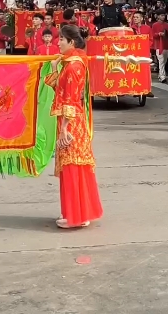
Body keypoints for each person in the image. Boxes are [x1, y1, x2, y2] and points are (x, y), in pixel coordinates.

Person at [49, 24, 103, 229]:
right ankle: (79, 213)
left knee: (72, 167)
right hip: (71, 119)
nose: (58, 42)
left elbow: (70, 100)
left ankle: (76, 215)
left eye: (61, 39)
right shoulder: (73, 62)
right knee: (74, 166)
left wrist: (64, 129)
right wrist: (54, 69)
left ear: (71, 42)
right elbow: (61, 90)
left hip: (70, 121)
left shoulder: (73, 66)